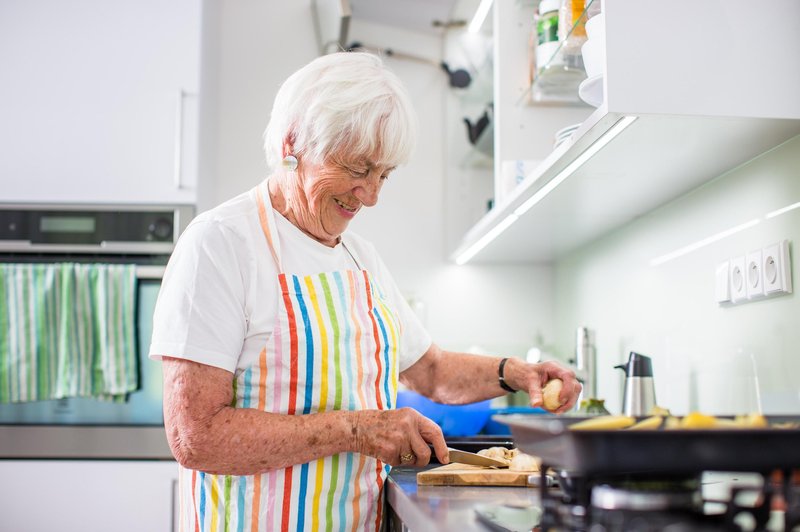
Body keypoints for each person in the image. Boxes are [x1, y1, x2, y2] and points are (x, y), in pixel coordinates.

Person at [149, 51, 581, 532]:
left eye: (384, 175)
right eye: (358, 169)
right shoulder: (221, 244)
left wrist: (516, 373)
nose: (371, 195)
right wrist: (358, 429)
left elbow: (431, 371)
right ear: (294, 143)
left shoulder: (359, 256)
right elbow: (196, 436)